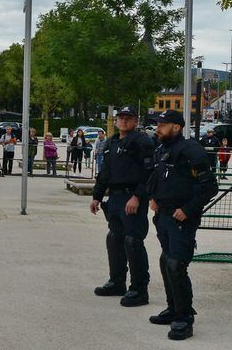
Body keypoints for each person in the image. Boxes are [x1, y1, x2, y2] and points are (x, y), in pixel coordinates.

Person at [148, 109, 218, 340]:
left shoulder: (191, 150)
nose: (158, 128)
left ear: (176, 127)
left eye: (162, 125)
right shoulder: (162, 149)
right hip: (164, 216)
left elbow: (209, 187)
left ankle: (184, 318)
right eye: (157, 124)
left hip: (181, 218)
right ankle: (173, 308)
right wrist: (154, 197)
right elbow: (158, 177)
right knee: (166, 260)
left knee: (176, 264)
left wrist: (187, 210)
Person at [90, 106, 155, 307]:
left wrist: (137, 196)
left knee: (132, 241)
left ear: (135, 121)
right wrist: (97, 196)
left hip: (132, 197)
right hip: (116, 198)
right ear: (116, 120)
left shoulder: (141, 141)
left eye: (128, 118)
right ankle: (117, 281)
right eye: (121, 118)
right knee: (114, 238)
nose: (124, 121)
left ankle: (139, 289)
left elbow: (148, 173)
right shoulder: (112, 142)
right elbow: (105, 172)